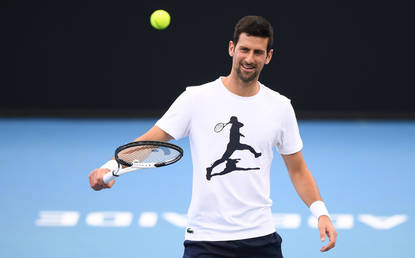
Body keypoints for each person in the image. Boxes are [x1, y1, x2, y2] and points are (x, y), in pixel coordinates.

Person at [89, 15, 337, 257]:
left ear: (268, 56)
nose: (249, 58)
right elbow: (151, 141)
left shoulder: (280, 107)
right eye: (244, 49)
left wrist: (321, 212)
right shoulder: (196, 98)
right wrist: (109, 166)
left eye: (258, 52)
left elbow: (298, 170)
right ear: (232, 48)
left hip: (260, 238)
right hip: (205, 240)